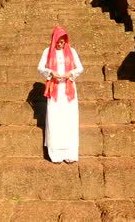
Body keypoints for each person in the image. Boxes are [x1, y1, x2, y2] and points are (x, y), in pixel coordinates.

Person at [37, 26, 84, 164]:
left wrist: (71, 73)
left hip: (68, 88)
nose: (60, 44)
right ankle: (56, 153)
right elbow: (40, 67)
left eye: (63, 42)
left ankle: (70, 153)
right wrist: (51, 72)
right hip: (55, 88)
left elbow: (80, 68)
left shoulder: (72, 51)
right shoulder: (47, 51)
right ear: (54, 40)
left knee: (69, 118)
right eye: (58, 41)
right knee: (55, 118)